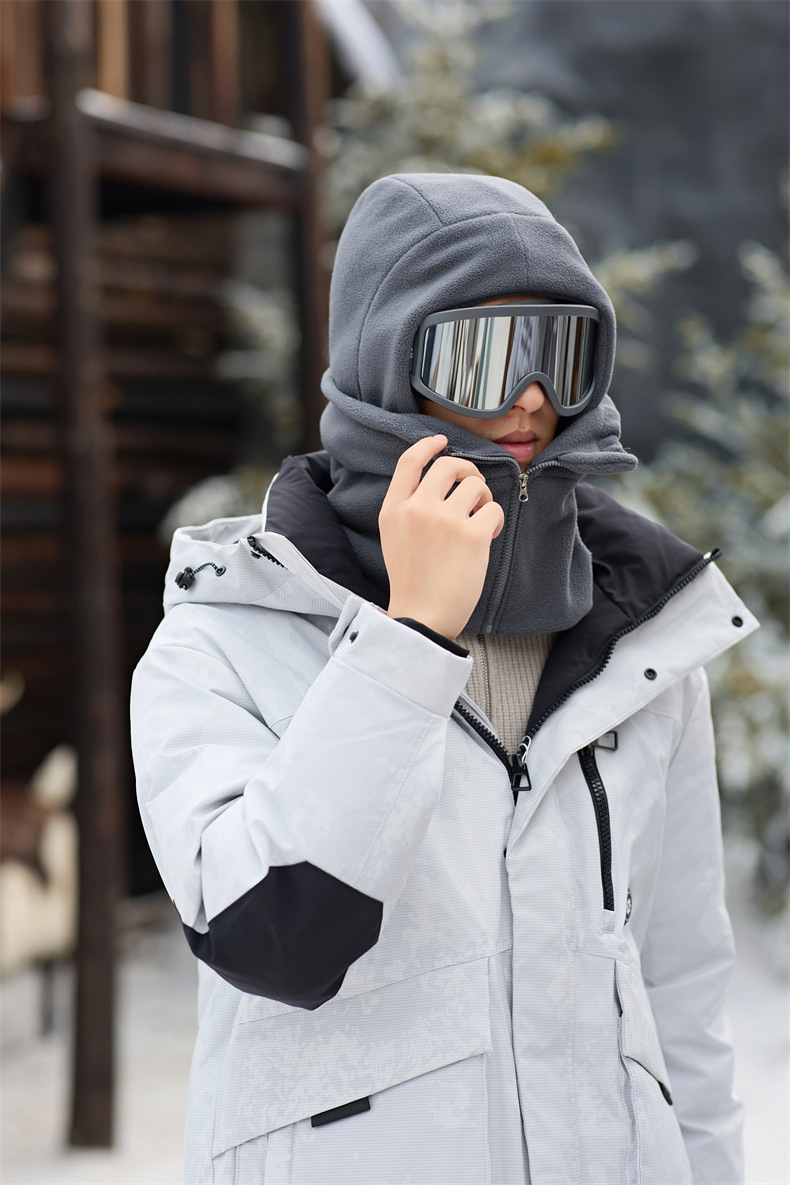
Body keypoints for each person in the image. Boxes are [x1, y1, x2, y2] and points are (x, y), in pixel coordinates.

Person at [131, 174, 757, 1185]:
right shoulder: (227, 634)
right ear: (387, 362)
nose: (531, 398)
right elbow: (276, 938)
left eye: (561, 350)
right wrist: (413, 635)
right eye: (484, 354)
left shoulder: (644, 636)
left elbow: (680, 997)